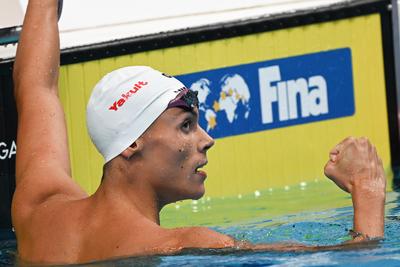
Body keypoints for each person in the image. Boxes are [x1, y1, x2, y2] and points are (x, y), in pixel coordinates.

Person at [11, 0, 386, 264]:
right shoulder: (183, 244)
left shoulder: (38, 211)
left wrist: (44, 4)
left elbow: (36, 89)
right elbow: (350, 258)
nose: (207, 139)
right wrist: (367, 190)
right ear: (131, 143)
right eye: (186, 126)